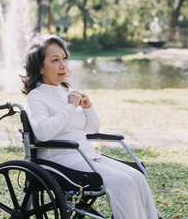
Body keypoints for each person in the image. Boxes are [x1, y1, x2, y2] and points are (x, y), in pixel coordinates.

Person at [22, 34, 158, 219]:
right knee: (121, 182)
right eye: (55, 60)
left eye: (64, 58)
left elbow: (91, 129)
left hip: (86, 155)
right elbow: (43, 132)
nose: (63, 65)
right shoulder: (36, 96)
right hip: (59, 159)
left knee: (137, 177)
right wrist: (70, 107)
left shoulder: (67, 92)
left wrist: (88, 108)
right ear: (39, 67)